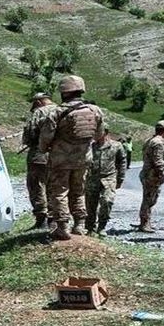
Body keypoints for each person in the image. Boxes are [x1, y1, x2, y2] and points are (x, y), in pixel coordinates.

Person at [39, 75, 104, 240]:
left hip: (60, 160)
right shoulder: (94, 110)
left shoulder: (57, 112)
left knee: (59, 192)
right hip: (83, 159)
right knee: (78, 190)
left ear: (63, 92)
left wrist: (44, 149)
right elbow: (99, 135)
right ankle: (80, 224)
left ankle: (62, 227)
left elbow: (46, 137)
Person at [22, 92, 57, 229]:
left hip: (39, 155)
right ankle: (53, 219)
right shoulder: (62, 110)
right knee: (54, 187)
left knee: (36, 185)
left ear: (39, 102)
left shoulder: (39, 112)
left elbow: (30, 133)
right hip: (59, 156)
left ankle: (41, 218)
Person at [85, 124, 126, 236]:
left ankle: (101, 226)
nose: (95, 134)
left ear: (105, 132)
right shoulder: (90, 146)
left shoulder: (116, 146)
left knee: (107, 201)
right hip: (92, 178)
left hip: (109, 178)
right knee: (90, 204)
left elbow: (122, 162)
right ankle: (90, 228)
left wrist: (120, 178)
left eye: (98, 132)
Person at [138, 120, 164, 233]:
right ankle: (145, 223)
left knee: (148, 198)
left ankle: (145, 221)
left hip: (147, 173)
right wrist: (161, 174)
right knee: (149, 199)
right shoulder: (159, 143)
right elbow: (158, 161)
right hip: (152, 175)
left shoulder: (150, 140)